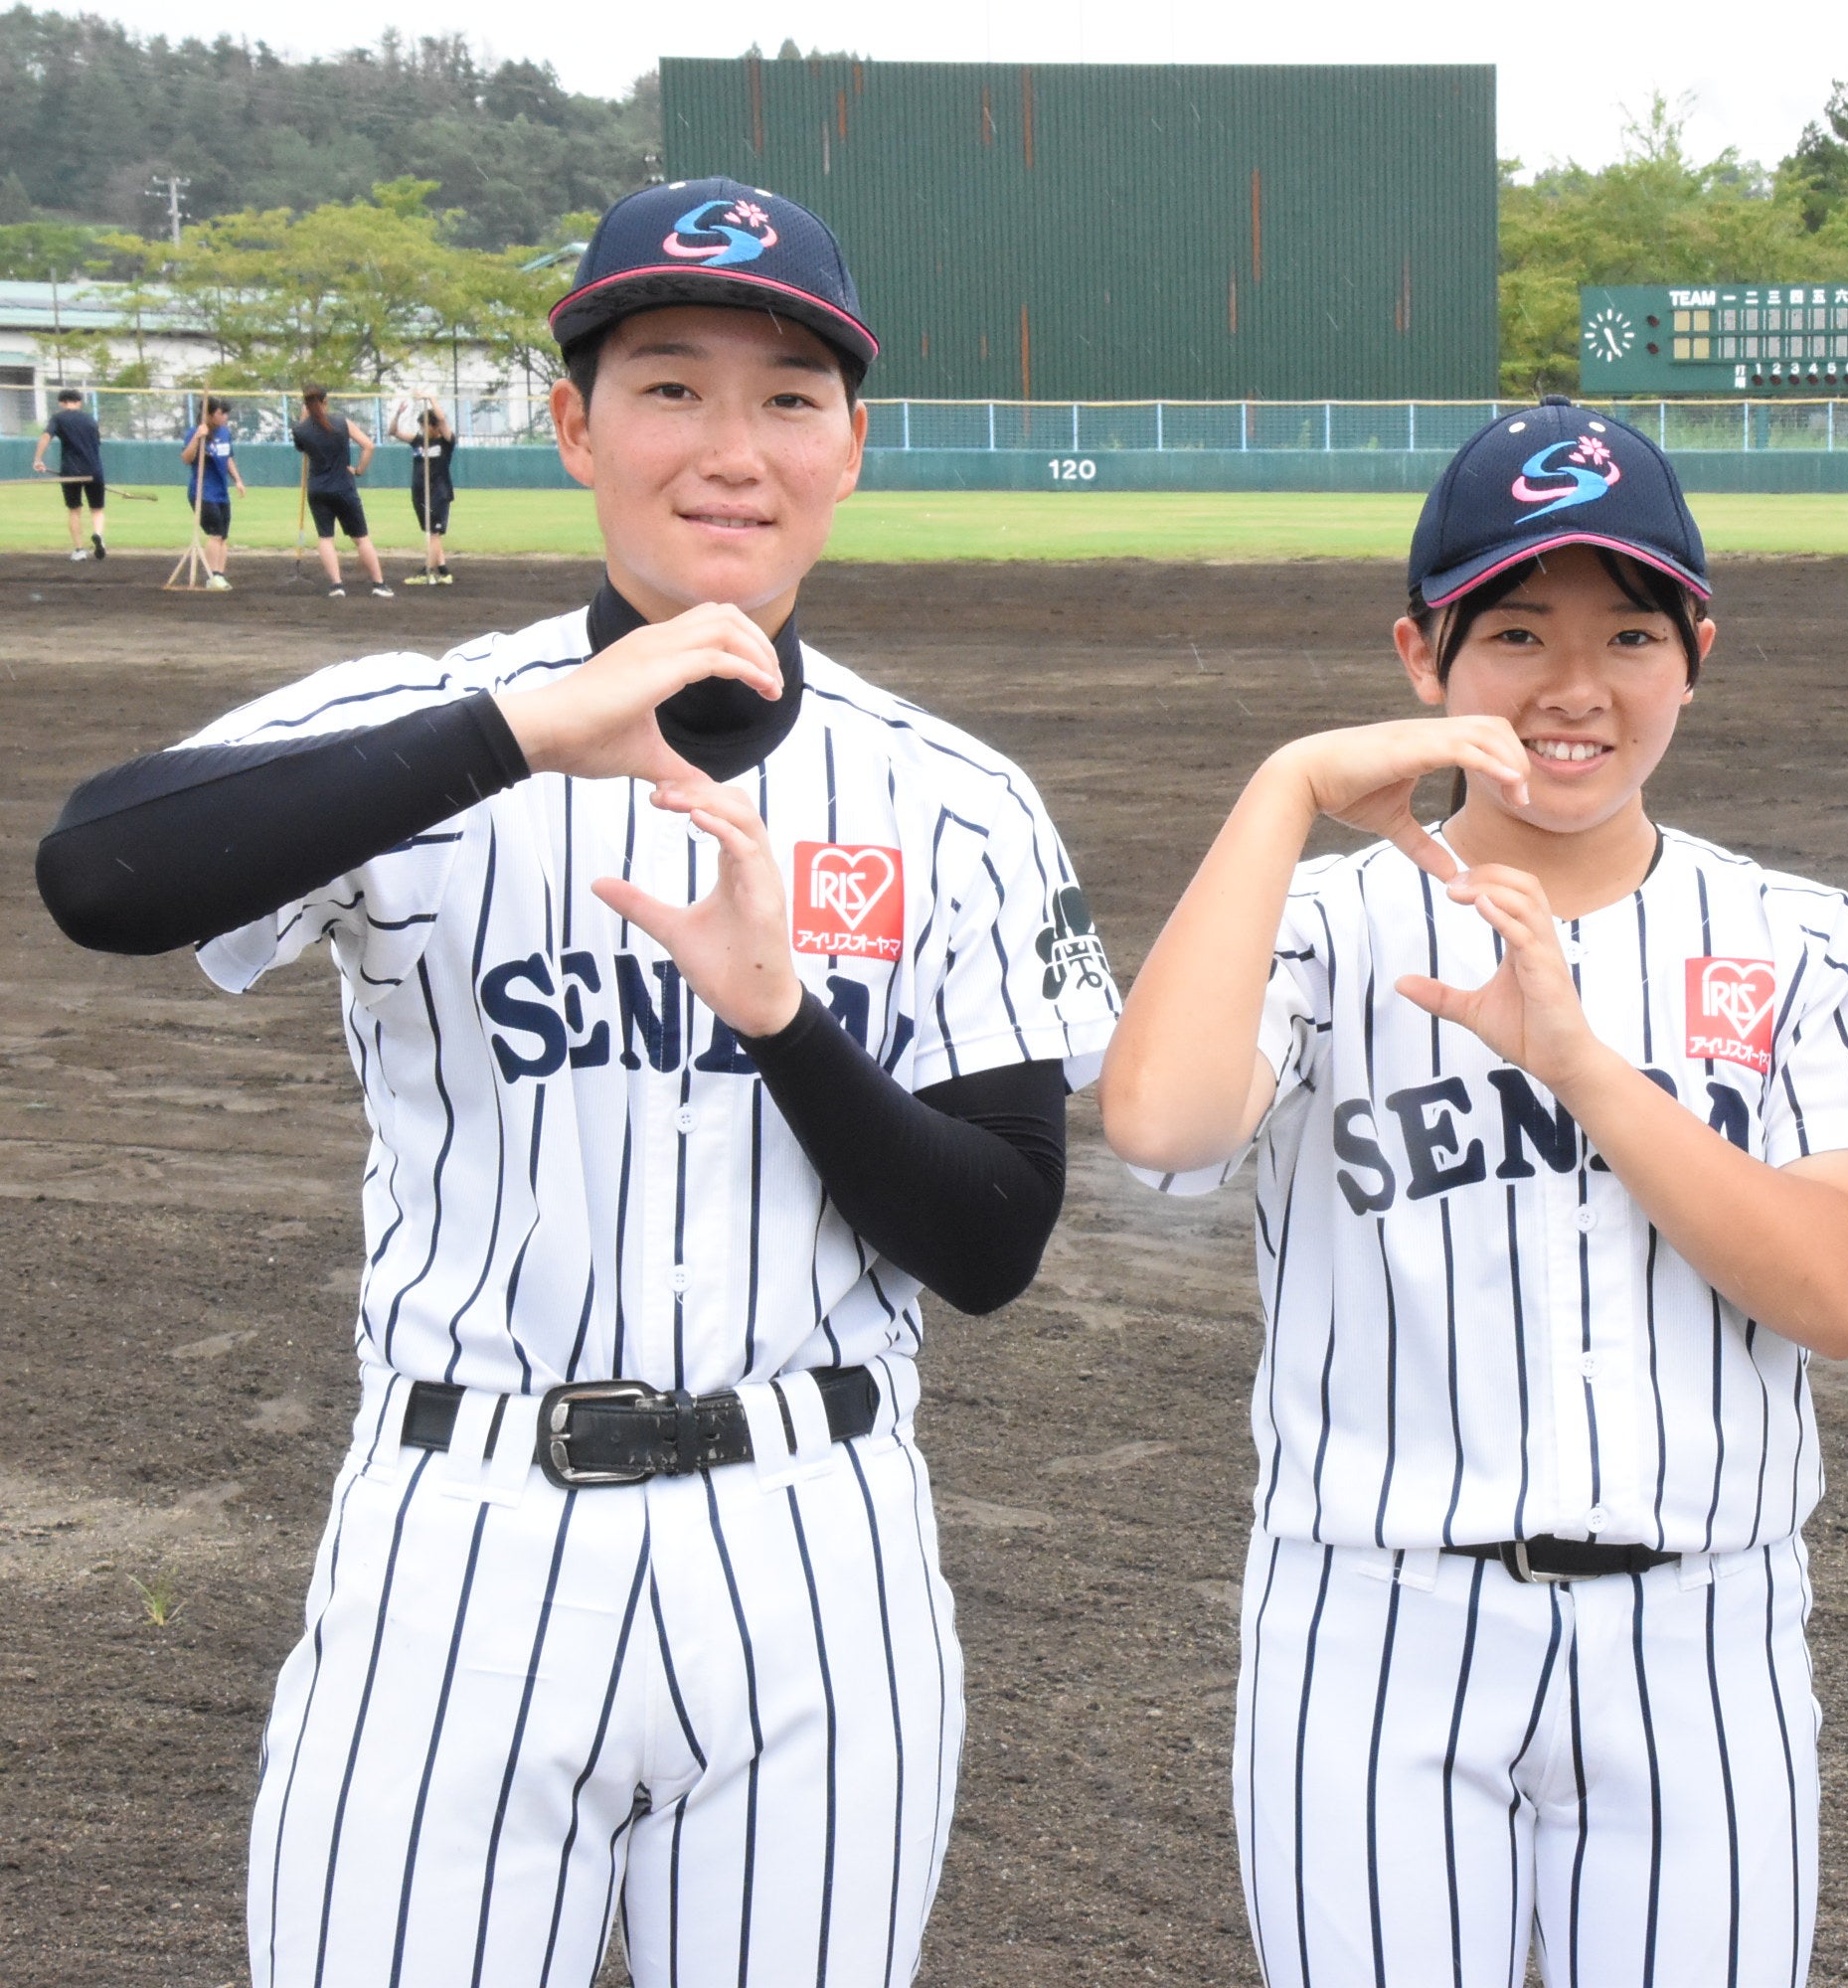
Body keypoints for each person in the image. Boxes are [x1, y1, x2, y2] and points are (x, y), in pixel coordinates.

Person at [36, 176, 1116, 1985]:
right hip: (461, 1540)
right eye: (669, 384)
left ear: (852, 445)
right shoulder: (434, 716)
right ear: (572, 426)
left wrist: (786, 1019)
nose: (729, 445)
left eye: (787, 396)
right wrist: (516, 731)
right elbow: (103, 876)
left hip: (815, 1546)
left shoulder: (957, 798)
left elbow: (994, 1236)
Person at [1099, 398, 1848, 1988]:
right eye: (1515, 633)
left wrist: (1584, 1066)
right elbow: (1156, 1121)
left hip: (1700, 1640)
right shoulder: (1327, 925)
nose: (1575, 688)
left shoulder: (1795, 939)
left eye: (1631, 632)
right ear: (1424, 659)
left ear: (1696, 647)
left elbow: (1841, 1297)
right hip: (1375, 1630)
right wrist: (1285, 785)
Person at [291, 384, 390, 597]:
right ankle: (379, 584)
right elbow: (369, 445)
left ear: (306, 405)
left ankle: (337, 585)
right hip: (343, 487)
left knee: (326, 537)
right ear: (325, 402)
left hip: (317, 489)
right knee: (361, 537)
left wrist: (303, 418)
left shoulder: (300, 430)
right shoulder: (341, 422)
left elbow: (302, 446)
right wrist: (359, 470)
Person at [178, 395, 247, 588]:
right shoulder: (195, 432)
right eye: (220, 413)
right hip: (202, 492)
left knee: (223, 535)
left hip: (221, 492)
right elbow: (186, 458)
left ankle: (219, 575)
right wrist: (198, 438)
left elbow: (228, 458)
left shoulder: (224, 433)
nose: (225, 416)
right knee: (215, 533)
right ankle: (212, 575)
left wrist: (238, 480)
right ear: (208, 414)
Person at [392, 395, 457, 583]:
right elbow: (393, 431)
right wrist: (397, 414)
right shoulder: (418, 441)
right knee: (430, 532)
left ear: (434, 427)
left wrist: (430, 398)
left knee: (435, 532)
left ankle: (426, 571)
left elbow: (442, 419)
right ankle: (444, 572)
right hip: (420, 492)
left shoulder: (446, 442)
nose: (422, 429)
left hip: (439, 492)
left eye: (425, 425)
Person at [35, 384, 104, 561]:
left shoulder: (58, 418)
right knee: (97, 509)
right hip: (94, 469)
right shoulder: (90, 420)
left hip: (71, 470)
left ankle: (80, 550)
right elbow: (97, 444)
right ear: (78, 402)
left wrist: (38, 459)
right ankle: (98, 535)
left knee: (74, 509)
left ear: (61, 403)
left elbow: (45, 436)